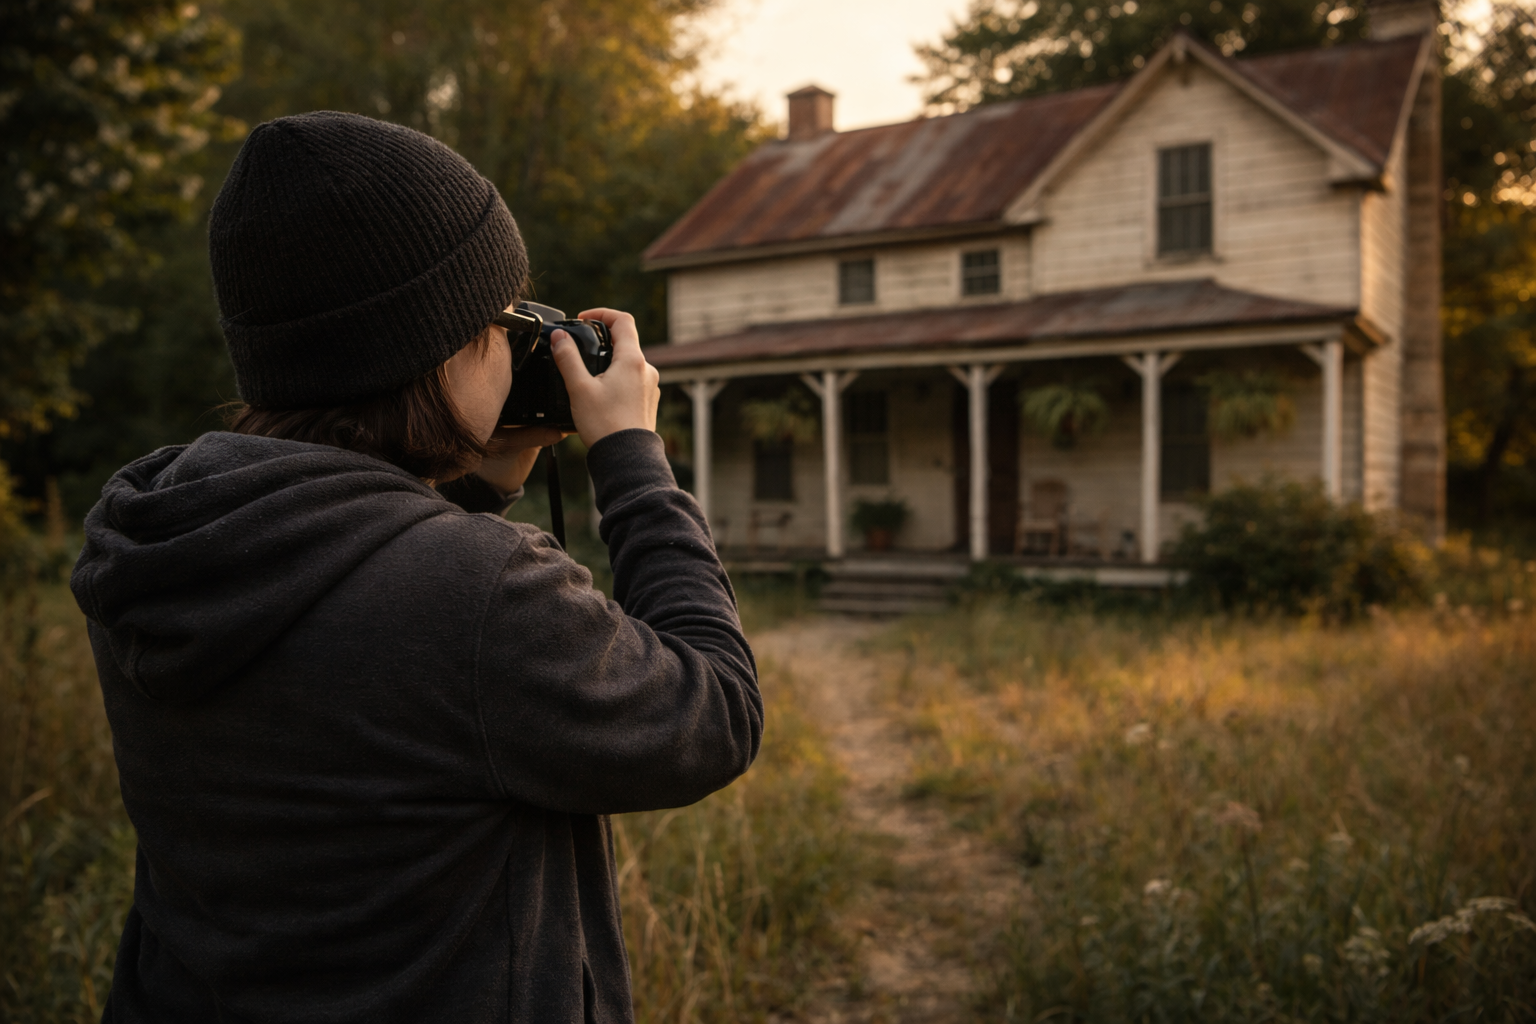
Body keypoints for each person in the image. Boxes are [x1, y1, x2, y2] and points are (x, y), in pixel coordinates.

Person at [69, 111, 761, 1023]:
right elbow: (712, 711)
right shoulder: (480, 595)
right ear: (434, 344)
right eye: (505, 318)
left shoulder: (152, 537)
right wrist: (631, 456)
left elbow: (355, 643)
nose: (518, 347)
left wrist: (470, 488)